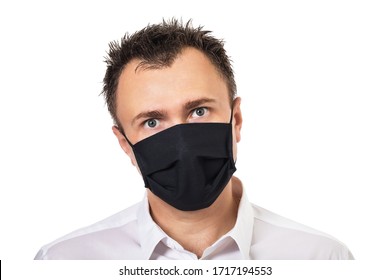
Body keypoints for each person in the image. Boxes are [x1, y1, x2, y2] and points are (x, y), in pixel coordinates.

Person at [34, 19, 353, 260]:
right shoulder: (63, 261)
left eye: (198, 111)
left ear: (236, 120)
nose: (182, 142)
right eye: (152, 121)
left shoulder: (321, 258)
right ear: (125, 144)